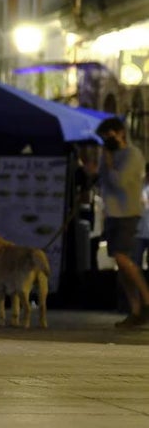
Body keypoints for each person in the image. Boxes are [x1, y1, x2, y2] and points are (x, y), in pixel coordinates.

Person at [85, 117, 149, 328]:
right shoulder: (108, 156)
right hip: (112, 214)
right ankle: (136, 310)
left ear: (120, 133)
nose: (106, 141)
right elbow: (102, 181)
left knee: (123, 258)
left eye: (109, 136)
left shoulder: (133, 154)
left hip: (128, 213)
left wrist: (110, 161)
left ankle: (147, 300)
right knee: (120, 266)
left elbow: (119, 182)